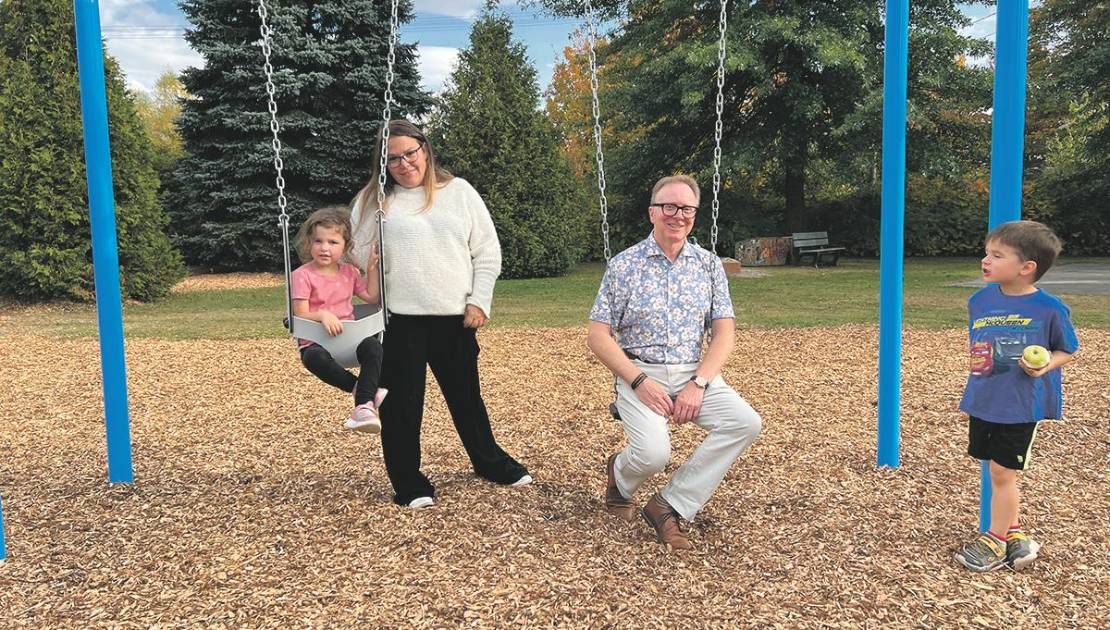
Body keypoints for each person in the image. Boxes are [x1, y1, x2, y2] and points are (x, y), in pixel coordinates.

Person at [349, 119, 530, 509]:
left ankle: (489, 462)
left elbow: (486, 251)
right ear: (382, 164)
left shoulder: (458, 192)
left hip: (454, 317)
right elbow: (356, 259)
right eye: (392, 158)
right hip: (398, 320)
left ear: (425, 150)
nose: (403, 163)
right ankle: (408, 482)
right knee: (401, 404)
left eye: (409, 153)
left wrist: (479, 300)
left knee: (466, 397)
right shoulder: (372, 203)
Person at [587, 174, 762, 551]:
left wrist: (698, 383)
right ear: (652, 213)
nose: (677, 215)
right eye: (669, 206)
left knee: (745, 422)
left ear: (695, 216)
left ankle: (670, 506)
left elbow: (724, 334)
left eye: (686, 208)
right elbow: (598, 336)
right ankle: (620, 476)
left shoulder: (709, 266)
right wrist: (637, 382)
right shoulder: (624, 265)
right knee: (653, 454)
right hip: (640, 372)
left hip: (691, 372)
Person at [954, 220, 1079, 572]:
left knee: (1002, 472)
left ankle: (993, 540)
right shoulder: (979, 301)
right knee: (994, 468)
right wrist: (972, 396)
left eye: (997, 255)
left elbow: (1068, 349)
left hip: (1022, 403)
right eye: (986, 253)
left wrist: (1045, 366)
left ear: (1026, 268)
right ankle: (1015, 534)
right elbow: (979, 352)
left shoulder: (1049, 308)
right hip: (986, 399)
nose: (985, 260)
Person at [291, 206, 386, 433]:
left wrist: (372, 269)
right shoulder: (302, 275)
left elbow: (371, 297)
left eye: (333, 242)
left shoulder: (350, 272)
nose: (324, 248)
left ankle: (363, 406)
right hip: (317, 342)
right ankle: (365, 394)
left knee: (374, 348)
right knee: (313, 359)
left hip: (351, 342)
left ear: (345, 246)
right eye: (318, 241)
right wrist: (323, 314)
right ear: (309, 243)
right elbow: (299, 313)